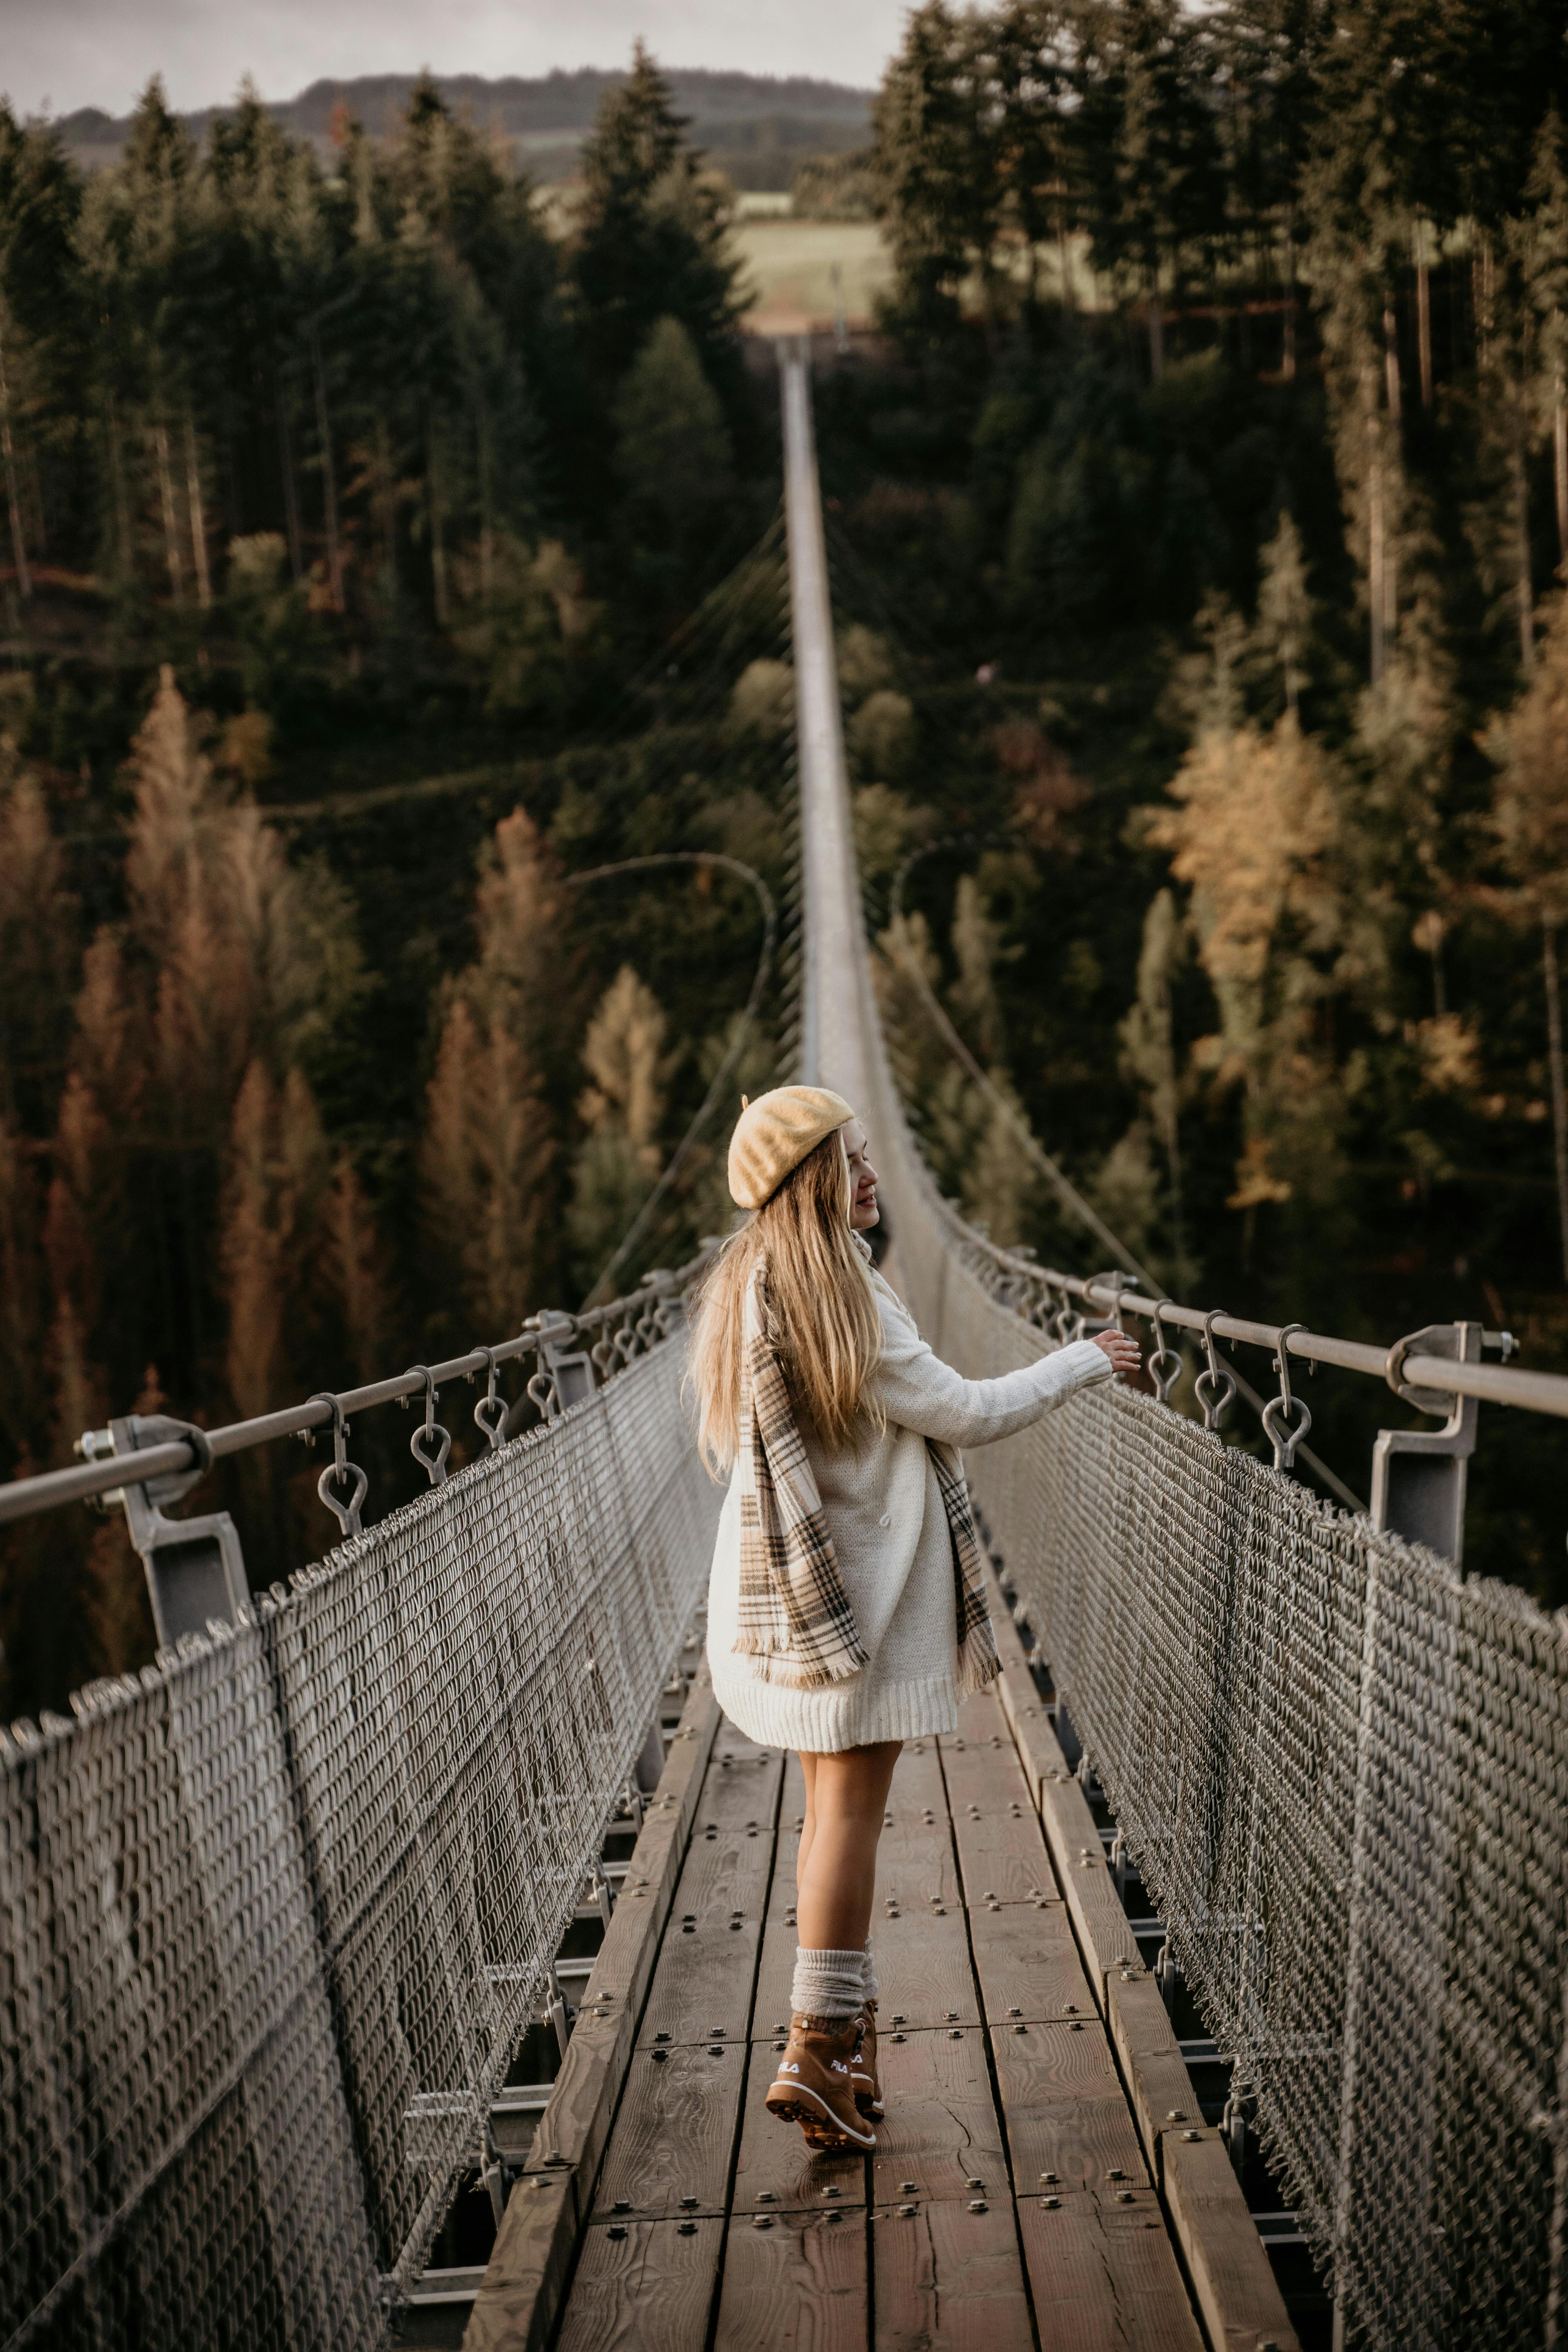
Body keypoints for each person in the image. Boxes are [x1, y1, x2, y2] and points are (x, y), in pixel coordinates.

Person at [688, 1085, 1139, 2150]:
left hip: (797, 1600)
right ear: (811, 1183)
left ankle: (843, 2047)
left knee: (827, 1817)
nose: (873, 1176)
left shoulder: (754, 1284)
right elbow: (968, 1414)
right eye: (851, 1161)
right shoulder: (848, 1297)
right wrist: (1092, 1358)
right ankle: (818, 2048)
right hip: (860, 1608)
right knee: (848, 1819)